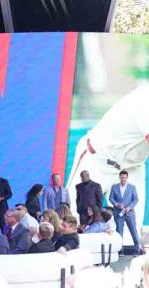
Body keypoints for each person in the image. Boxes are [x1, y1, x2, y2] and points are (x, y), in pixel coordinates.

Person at [63, 85, 149, 231]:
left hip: (132, 167)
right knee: (71, 223)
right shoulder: (144, 99)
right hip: (99, 160)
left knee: (129, 233)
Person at [109, 170, 143, 254]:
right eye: (121, 177)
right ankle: (119, 250)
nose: (123, 179)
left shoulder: (132, 187)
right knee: (119, 231)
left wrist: (130, 207)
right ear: (119, 177)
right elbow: (111, 198)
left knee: (133, 230)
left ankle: (137, 249)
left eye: (124, 177)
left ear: (127, 178)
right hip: (118, 213)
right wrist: (117, 204)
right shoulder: (114, 187)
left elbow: (136, 199)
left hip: (129, 213)